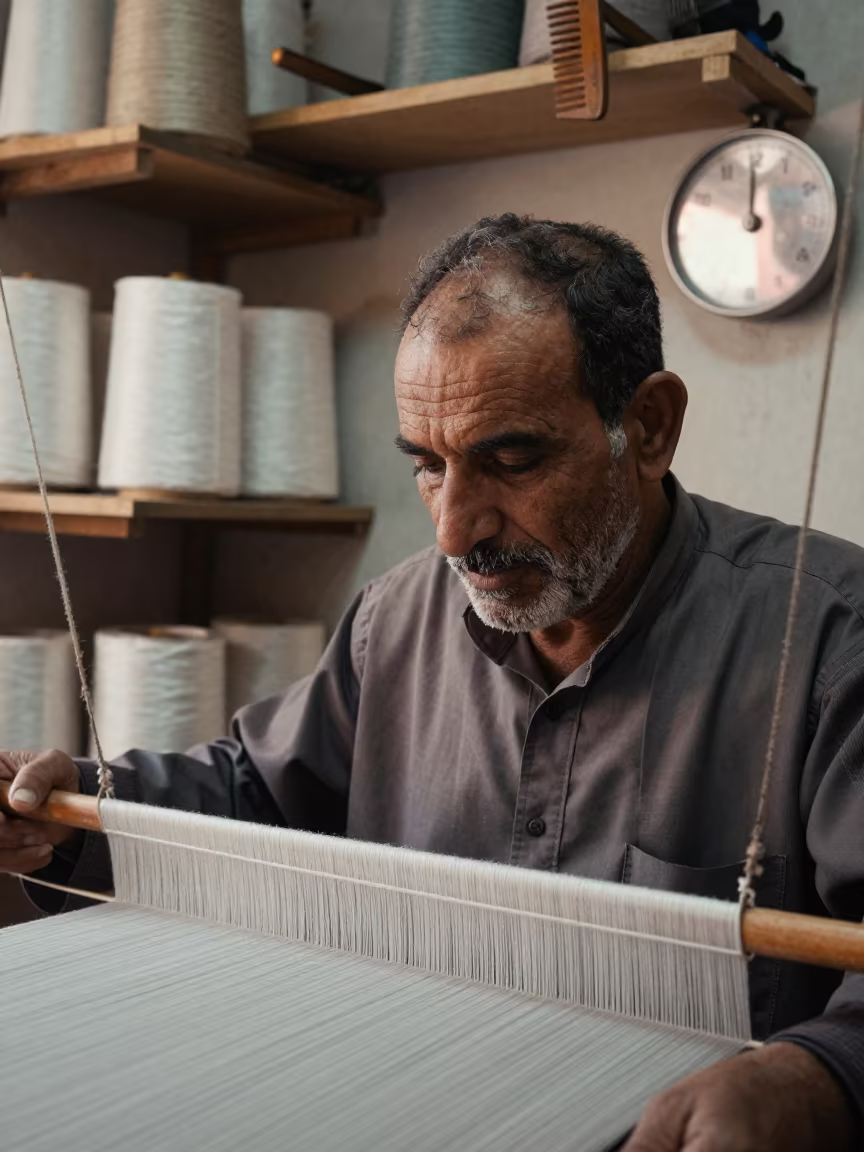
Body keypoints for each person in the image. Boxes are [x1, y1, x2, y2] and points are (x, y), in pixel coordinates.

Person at [1, 214, 862, 1151]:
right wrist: (73, 815)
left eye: (511, 460)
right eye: (429, 466)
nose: (454, 531)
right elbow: (254, 793)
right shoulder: (395, 619)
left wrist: (817, 1076)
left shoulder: (829, 639)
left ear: (647, 427)